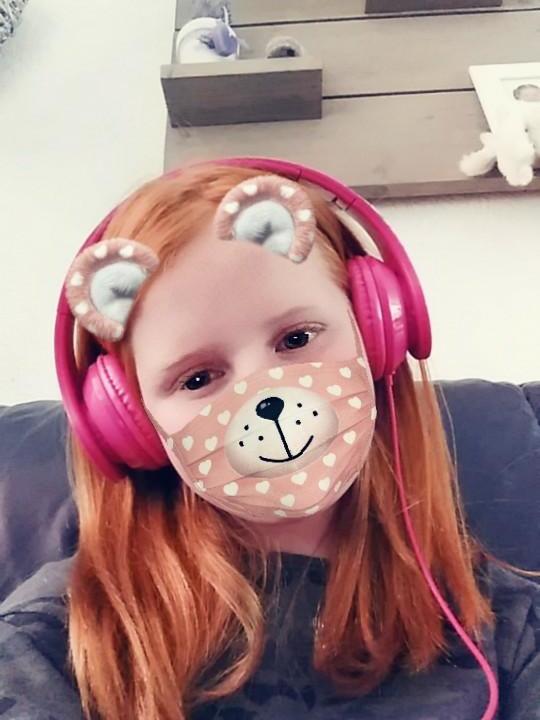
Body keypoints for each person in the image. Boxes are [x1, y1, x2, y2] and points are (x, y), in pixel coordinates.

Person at [1, 158, 539, 720]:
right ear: (130, 426)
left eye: (297, 338)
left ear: (377, 330)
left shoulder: (506, 623)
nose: (265, 392)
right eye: (197, 379)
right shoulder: (57, 641)